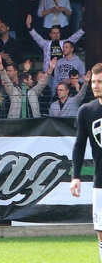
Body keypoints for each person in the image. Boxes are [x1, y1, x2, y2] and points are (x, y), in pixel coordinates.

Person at [68, 63, 102, 260]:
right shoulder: (86, 111)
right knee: (100, 231)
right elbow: (79, 145)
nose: (96, 86)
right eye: (94, 82)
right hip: (100, 181)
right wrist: (75, 176)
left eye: (100, 82)